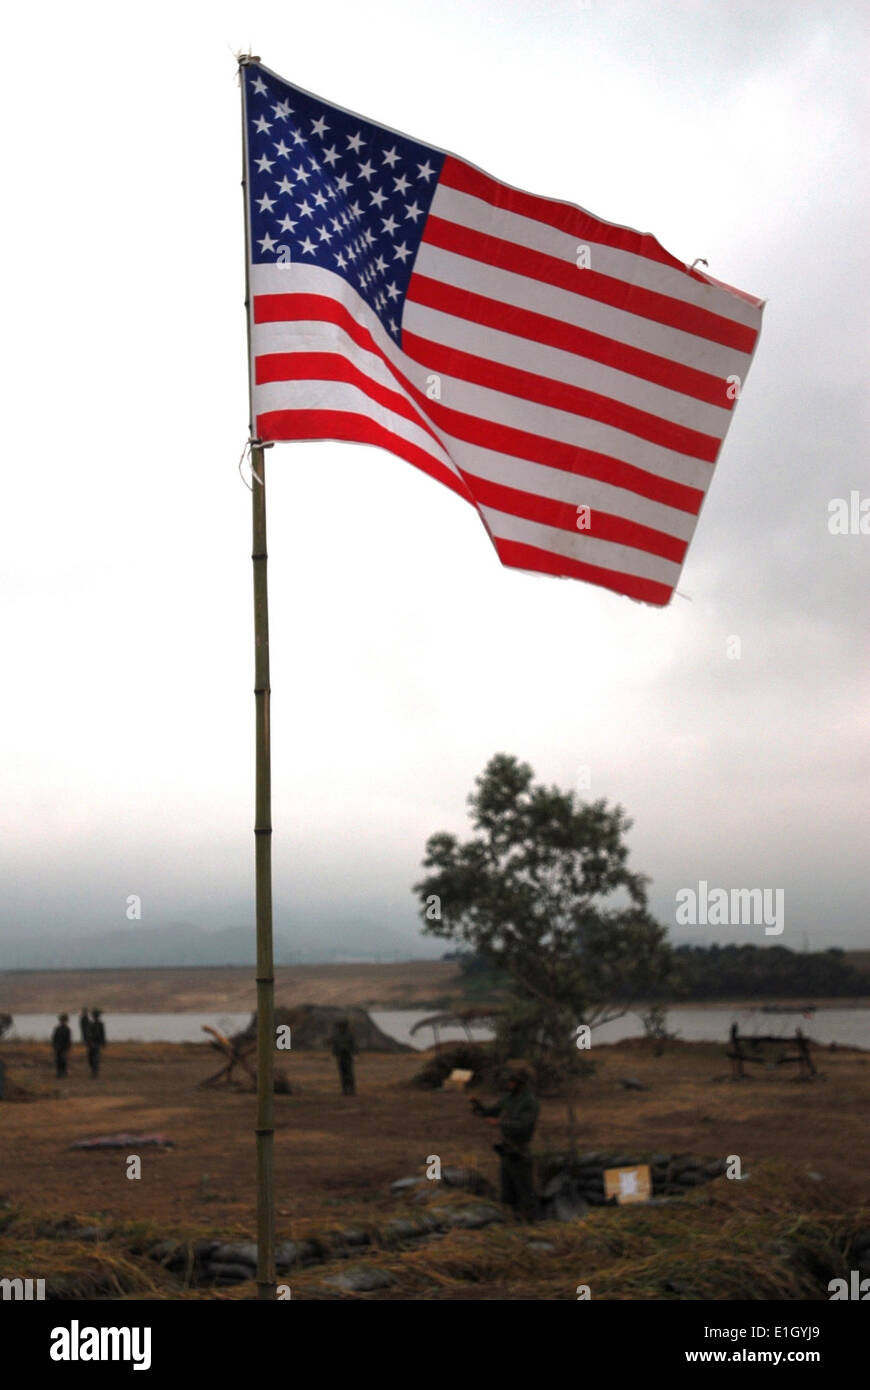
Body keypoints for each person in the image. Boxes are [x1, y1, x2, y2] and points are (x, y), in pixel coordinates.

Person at [469, 1067, 540, 1220]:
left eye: (511, 1081)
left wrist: (500, 1123)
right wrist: (478, 1105)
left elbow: (524, 1125)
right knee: (507, 1190)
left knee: (525, 1189)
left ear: (520, 1083)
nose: (508, 1084)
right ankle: (512, 1218)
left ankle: (533, 1221)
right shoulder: (508, 1097)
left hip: (520, 1151)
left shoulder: (529, 1102)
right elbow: (492, 1110)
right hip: (507, 1149)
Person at [330, 1017, 357, 1095]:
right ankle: (345, 1090)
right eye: (340, 1026)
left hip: (347, 1056)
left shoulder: (349, 1035)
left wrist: (355, 1054)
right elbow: (335, 1046)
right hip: (340, 1056)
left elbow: (353, 1045)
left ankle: (352, 1090)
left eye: (342, 1026)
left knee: (349, 1074)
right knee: (342, 1074)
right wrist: (334, 1054)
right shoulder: (337, 1036)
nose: (340, 1028)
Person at [85, 1009, 106, 1078]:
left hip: (97, 1043)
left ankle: (95, 1072)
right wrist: (88, 1042)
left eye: (96, 1015)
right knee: (90, 1059)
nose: (95, 1016)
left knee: (95, 1059)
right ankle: (93, 1070)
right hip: (91, 1043)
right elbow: (87, 1034)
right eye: (95, 1015)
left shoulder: (100, 1024)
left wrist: (103, 1043)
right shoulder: (90, 1024)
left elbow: (103, 1034)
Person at [51, 1013, 72, 1078]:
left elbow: (68, 1039)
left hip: (64, 1047)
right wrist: (54, 1045)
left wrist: (68, 1047)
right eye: (62, 1020)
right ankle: (59, 1072)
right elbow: (54, 1038)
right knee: (58, 1060)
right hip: (58, 1047)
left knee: (63, 1060)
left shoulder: (67, 1029)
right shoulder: (57, 1029)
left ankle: (63, 1072)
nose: (63, 1021)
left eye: (64, 1020)